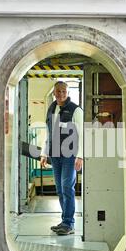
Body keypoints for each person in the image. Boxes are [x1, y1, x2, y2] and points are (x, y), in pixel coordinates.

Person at [40, 81, 83, 235]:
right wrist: (44, 153)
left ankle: (69, 224)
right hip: (55, 154)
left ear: (68, 92)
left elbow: (82, 134)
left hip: (70, 156)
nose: (61, 94)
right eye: (58, 91)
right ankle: (64, 220)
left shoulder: (75, 110)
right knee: (59, 189)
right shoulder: (51, 108)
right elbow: (48, 132)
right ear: (54, 93)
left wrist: (81, 156)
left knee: (67, 188)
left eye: (64, 91)